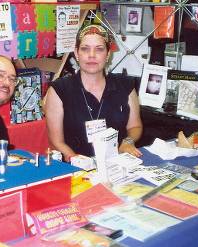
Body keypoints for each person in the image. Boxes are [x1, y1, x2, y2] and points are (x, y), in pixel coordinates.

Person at [44, 24, 143, 162]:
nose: (92, 55)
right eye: (85, 49)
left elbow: (135, 126)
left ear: (108, 54)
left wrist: (128, 141)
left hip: (118, 164)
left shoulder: (125, 86)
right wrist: (79, 162)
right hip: (76, 169)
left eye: (99, 49)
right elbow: (56, 142)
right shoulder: (59, 90)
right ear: (77, 53)